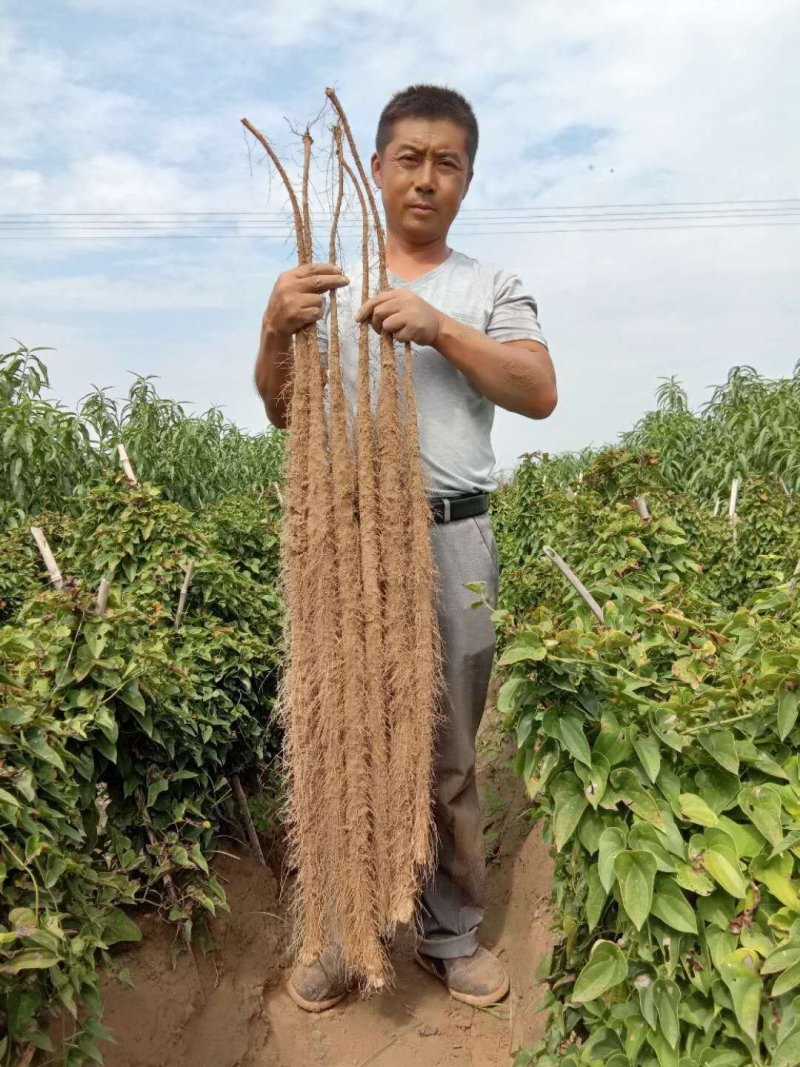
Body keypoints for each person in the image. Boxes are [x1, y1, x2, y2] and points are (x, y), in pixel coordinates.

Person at [254, 84, 557, 1012]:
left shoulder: (488, 287)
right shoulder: (321, 286)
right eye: (410, 158)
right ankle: (344, 927)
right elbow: (282, 408)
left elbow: (538, 389)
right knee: (340, 729)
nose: (427, 177)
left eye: (448, 162)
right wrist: (274, 327)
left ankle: (449, 930)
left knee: (450, 747)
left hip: (453, 534)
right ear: (379, 169)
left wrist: (441, 329)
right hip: (339, 550)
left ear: (466, 177)